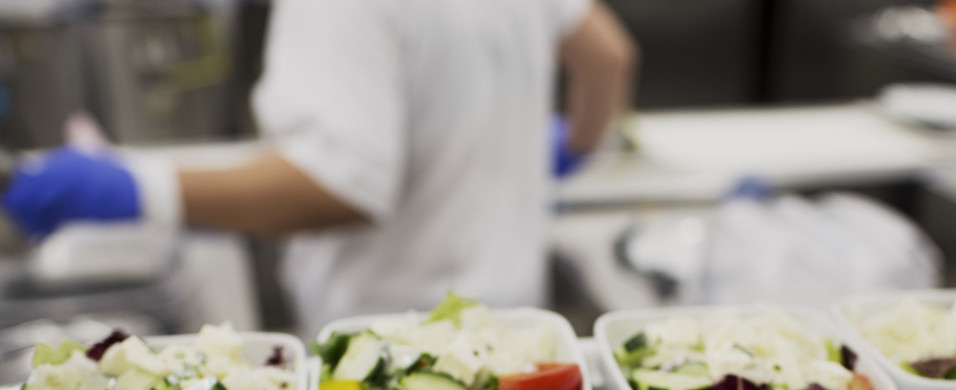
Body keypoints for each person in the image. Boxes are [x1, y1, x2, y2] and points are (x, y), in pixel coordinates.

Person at [1, 0, 637, 338]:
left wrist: (139, 189)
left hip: (395, 351)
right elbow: (608, 56)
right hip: (517, 323)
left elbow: (340, 187)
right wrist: (575, 144)